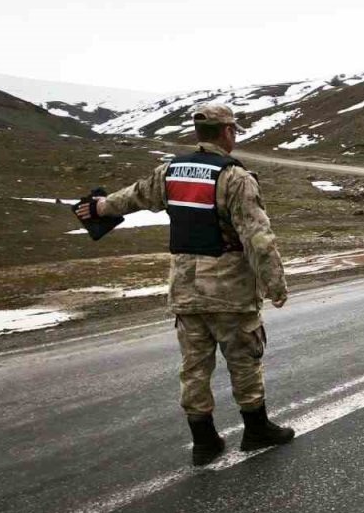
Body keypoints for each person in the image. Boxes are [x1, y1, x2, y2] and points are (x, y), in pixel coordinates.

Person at [74, 103, 293, 466]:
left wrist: (99, 208)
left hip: (184, 289)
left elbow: (134, 196)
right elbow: (258, 238)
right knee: (243, 359)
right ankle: (256, 430)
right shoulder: (235, 178)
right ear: (227, 132)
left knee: (194, 366)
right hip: (229, 290)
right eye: (234, 130)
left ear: (198, 133)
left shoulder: (170, 171)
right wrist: (276, 286)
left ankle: (204, 441)